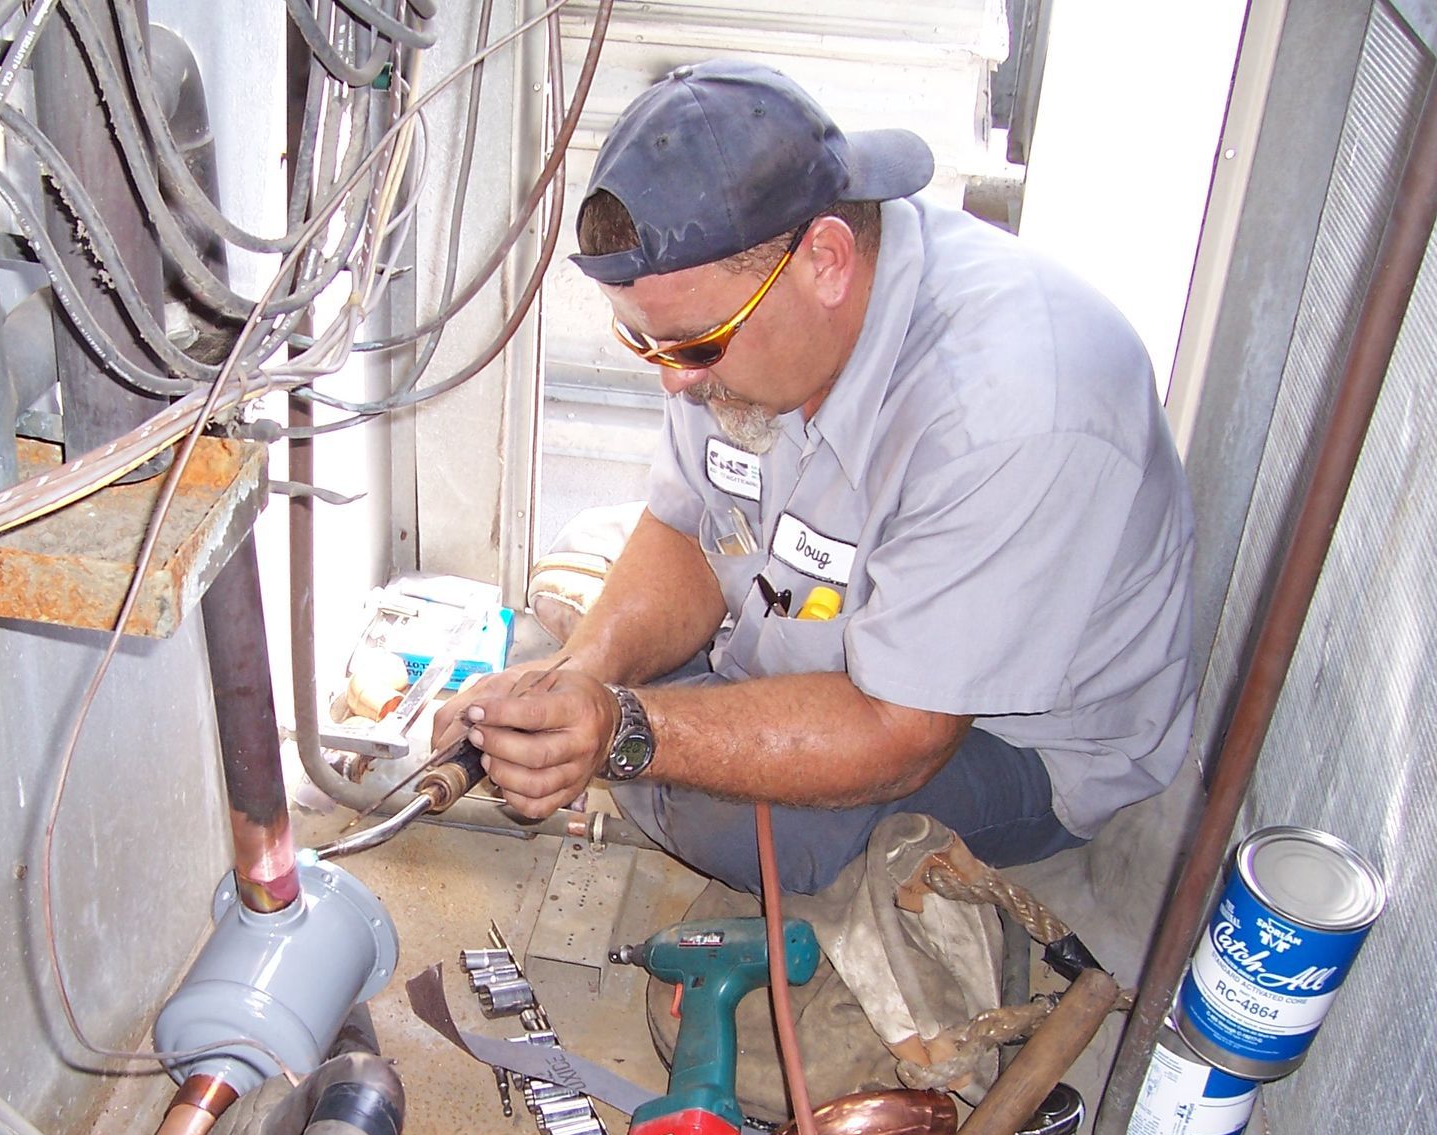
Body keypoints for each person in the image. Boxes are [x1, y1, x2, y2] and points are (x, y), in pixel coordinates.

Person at [436, 59, 1196, 896]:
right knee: (582, 680)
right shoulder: (730, 315)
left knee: (766, 833)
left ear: (826, 260)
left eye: (691, 346)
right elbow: (694, 528)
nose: (673, 381)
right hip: (808, 633)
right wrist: (578, 678)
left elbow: (900, 733)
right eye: (642, 344)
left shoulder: (1013, 406)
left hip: (1009, 740)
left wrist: (624, 729)